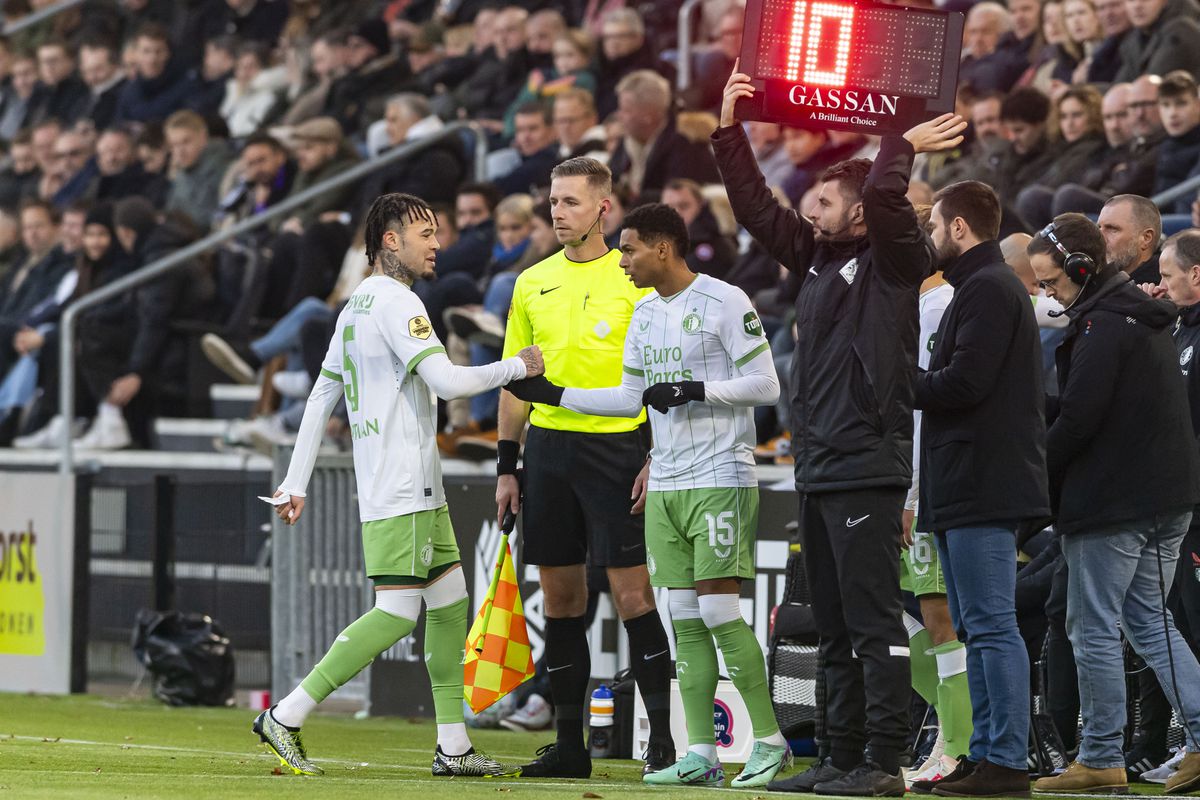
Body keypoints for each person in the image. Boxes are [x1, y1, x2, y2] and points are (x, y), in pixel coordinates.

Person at [713, 64, 966, 796]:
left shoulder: (896, 261)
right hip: (819, 465)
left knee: (870, 624)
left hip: (867, 463)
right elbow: (758, 210)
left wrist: (900, 142)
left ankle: (881, 762)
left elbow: (889, 194)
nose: (807, 210)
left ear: (859, 211)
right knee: (830, 626)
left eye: (822, 201)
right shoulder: (819, 260)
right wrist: (729, 134)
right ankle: (838, 756)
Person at [256, 192, 545, 778]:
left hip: (414, 486)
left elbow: (320, 397)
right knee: (395, 613)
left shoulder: (358, 302)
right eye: (425, 234)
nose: (436, 243)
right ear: (392, 240)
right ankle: (286, 714)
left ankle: (454, 747)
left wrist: (295, 481)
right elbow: (447, 380)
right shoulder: (398, 304)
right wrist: (519, 365)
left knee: (448, 606)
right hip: (403, 485)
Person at [505, 201, 790, 787]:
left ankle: (770, 741)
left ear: (663, 248)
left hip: (719, 475)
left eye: (630, 249)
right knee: (683, 616)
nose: (624, 261)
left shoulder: (724, 300)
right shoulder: (644, 315)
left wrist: (695, 389)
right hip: (664, 481)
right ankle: (701, 753)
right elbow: (629, 397)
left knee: (715, 610)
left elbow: (768, 384)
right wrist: (555, 394)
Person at [494, 157, 677, 780]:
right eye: (552, 200)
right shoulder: (531, 282)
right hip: (548, 455)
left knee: (632, 595)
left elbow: (663, 373)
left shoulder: (636, 279)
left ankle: (662, 742)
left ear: (604, 208)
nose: (556, 211)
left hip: (618, 450)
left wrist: (657, 452)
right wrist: (506, 465)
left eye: (570, 201)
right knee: (561, 599)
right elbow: (515, 381)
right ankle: (569, 746)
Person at [1028, 214, 1200, 795]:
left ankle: (1101, 755)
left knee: (1093, 627)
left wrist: (1031, 473)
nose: (1048, 294)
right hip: (1165, 497)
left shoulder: (1104, 324)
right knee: (1150, 622)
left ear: (1080, 269)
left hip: (1116, 501)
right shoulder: (1140, 315)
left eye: (1051, 283)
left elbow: (1079, 420)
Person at [911, 181, 1050, 797]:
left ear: (959, 228)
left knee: (992, 626)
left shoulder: (989, 290)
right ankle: (987, 752)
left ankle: (1006, 761)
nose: (930, 239)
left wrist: (898, 377)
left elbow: (964, 385)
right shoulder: (981, 289)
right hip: (964, 480)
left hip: (982, 483)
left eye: (935, 227)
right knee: (976, 627)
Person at [899, 212, 971, 791]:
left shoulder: (939, 306)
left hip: (935, 486)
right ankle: (954, 734)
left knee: (941, 618)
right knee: (921, 617)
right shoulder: (913, 307)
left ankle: (959, 743)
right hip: (914, 483)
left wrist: (914, 493)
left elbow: (928, 410)